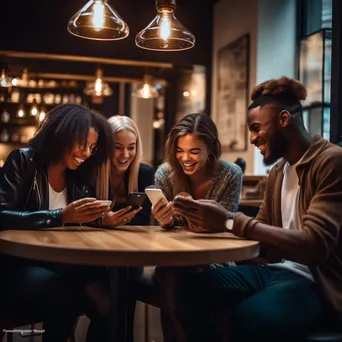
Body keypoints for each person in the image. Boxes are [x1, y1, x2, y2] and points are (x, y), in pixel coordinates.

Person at [174, 77, 342, 342]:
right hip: (275, 270)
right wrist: (206, 221)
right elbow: (259, 234)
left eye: (255, 128)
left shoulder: (331, 161)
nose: (251, 139)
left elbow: (315, 245)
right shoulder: (278, 171)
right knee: (187, 290)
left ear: (284, 120)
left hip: (316, 283)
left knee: (250, 317)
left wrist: (229, 221)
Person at [0, 103, 114, 342]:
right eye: (83, 145)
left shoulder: (78, 176)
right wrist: (58, 216)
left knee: (110, 299)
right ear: (62, 135)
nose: (86, 154)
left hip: (63, 261)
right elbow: (2, 215)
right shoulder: (23, 161)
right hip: (17, 264)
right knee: (64, 295)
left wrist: (101, 220)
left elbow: (75, 223)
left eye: (92, 148)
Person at [151, 113, 243, 342]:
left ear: (211, 149)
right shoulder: (165, 174)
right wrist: (165, 220)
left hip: (214, 258)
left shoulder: (230, 174)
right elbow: (162, 232)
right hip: (174, 258)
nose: (185, 158)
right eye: (180, 151)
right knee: (172, 274)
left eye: (194, 151)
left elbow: (222, 227)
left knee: (179, 278)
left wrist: (187, 214)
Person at [95, 115, 155, 226]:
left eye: (131, 147)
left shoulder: (146, 175)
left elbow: (144, 220)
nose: (125, 155)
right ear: (106, 146)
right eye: (117, 147)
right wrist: (101, 222)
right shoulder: (91, 173)